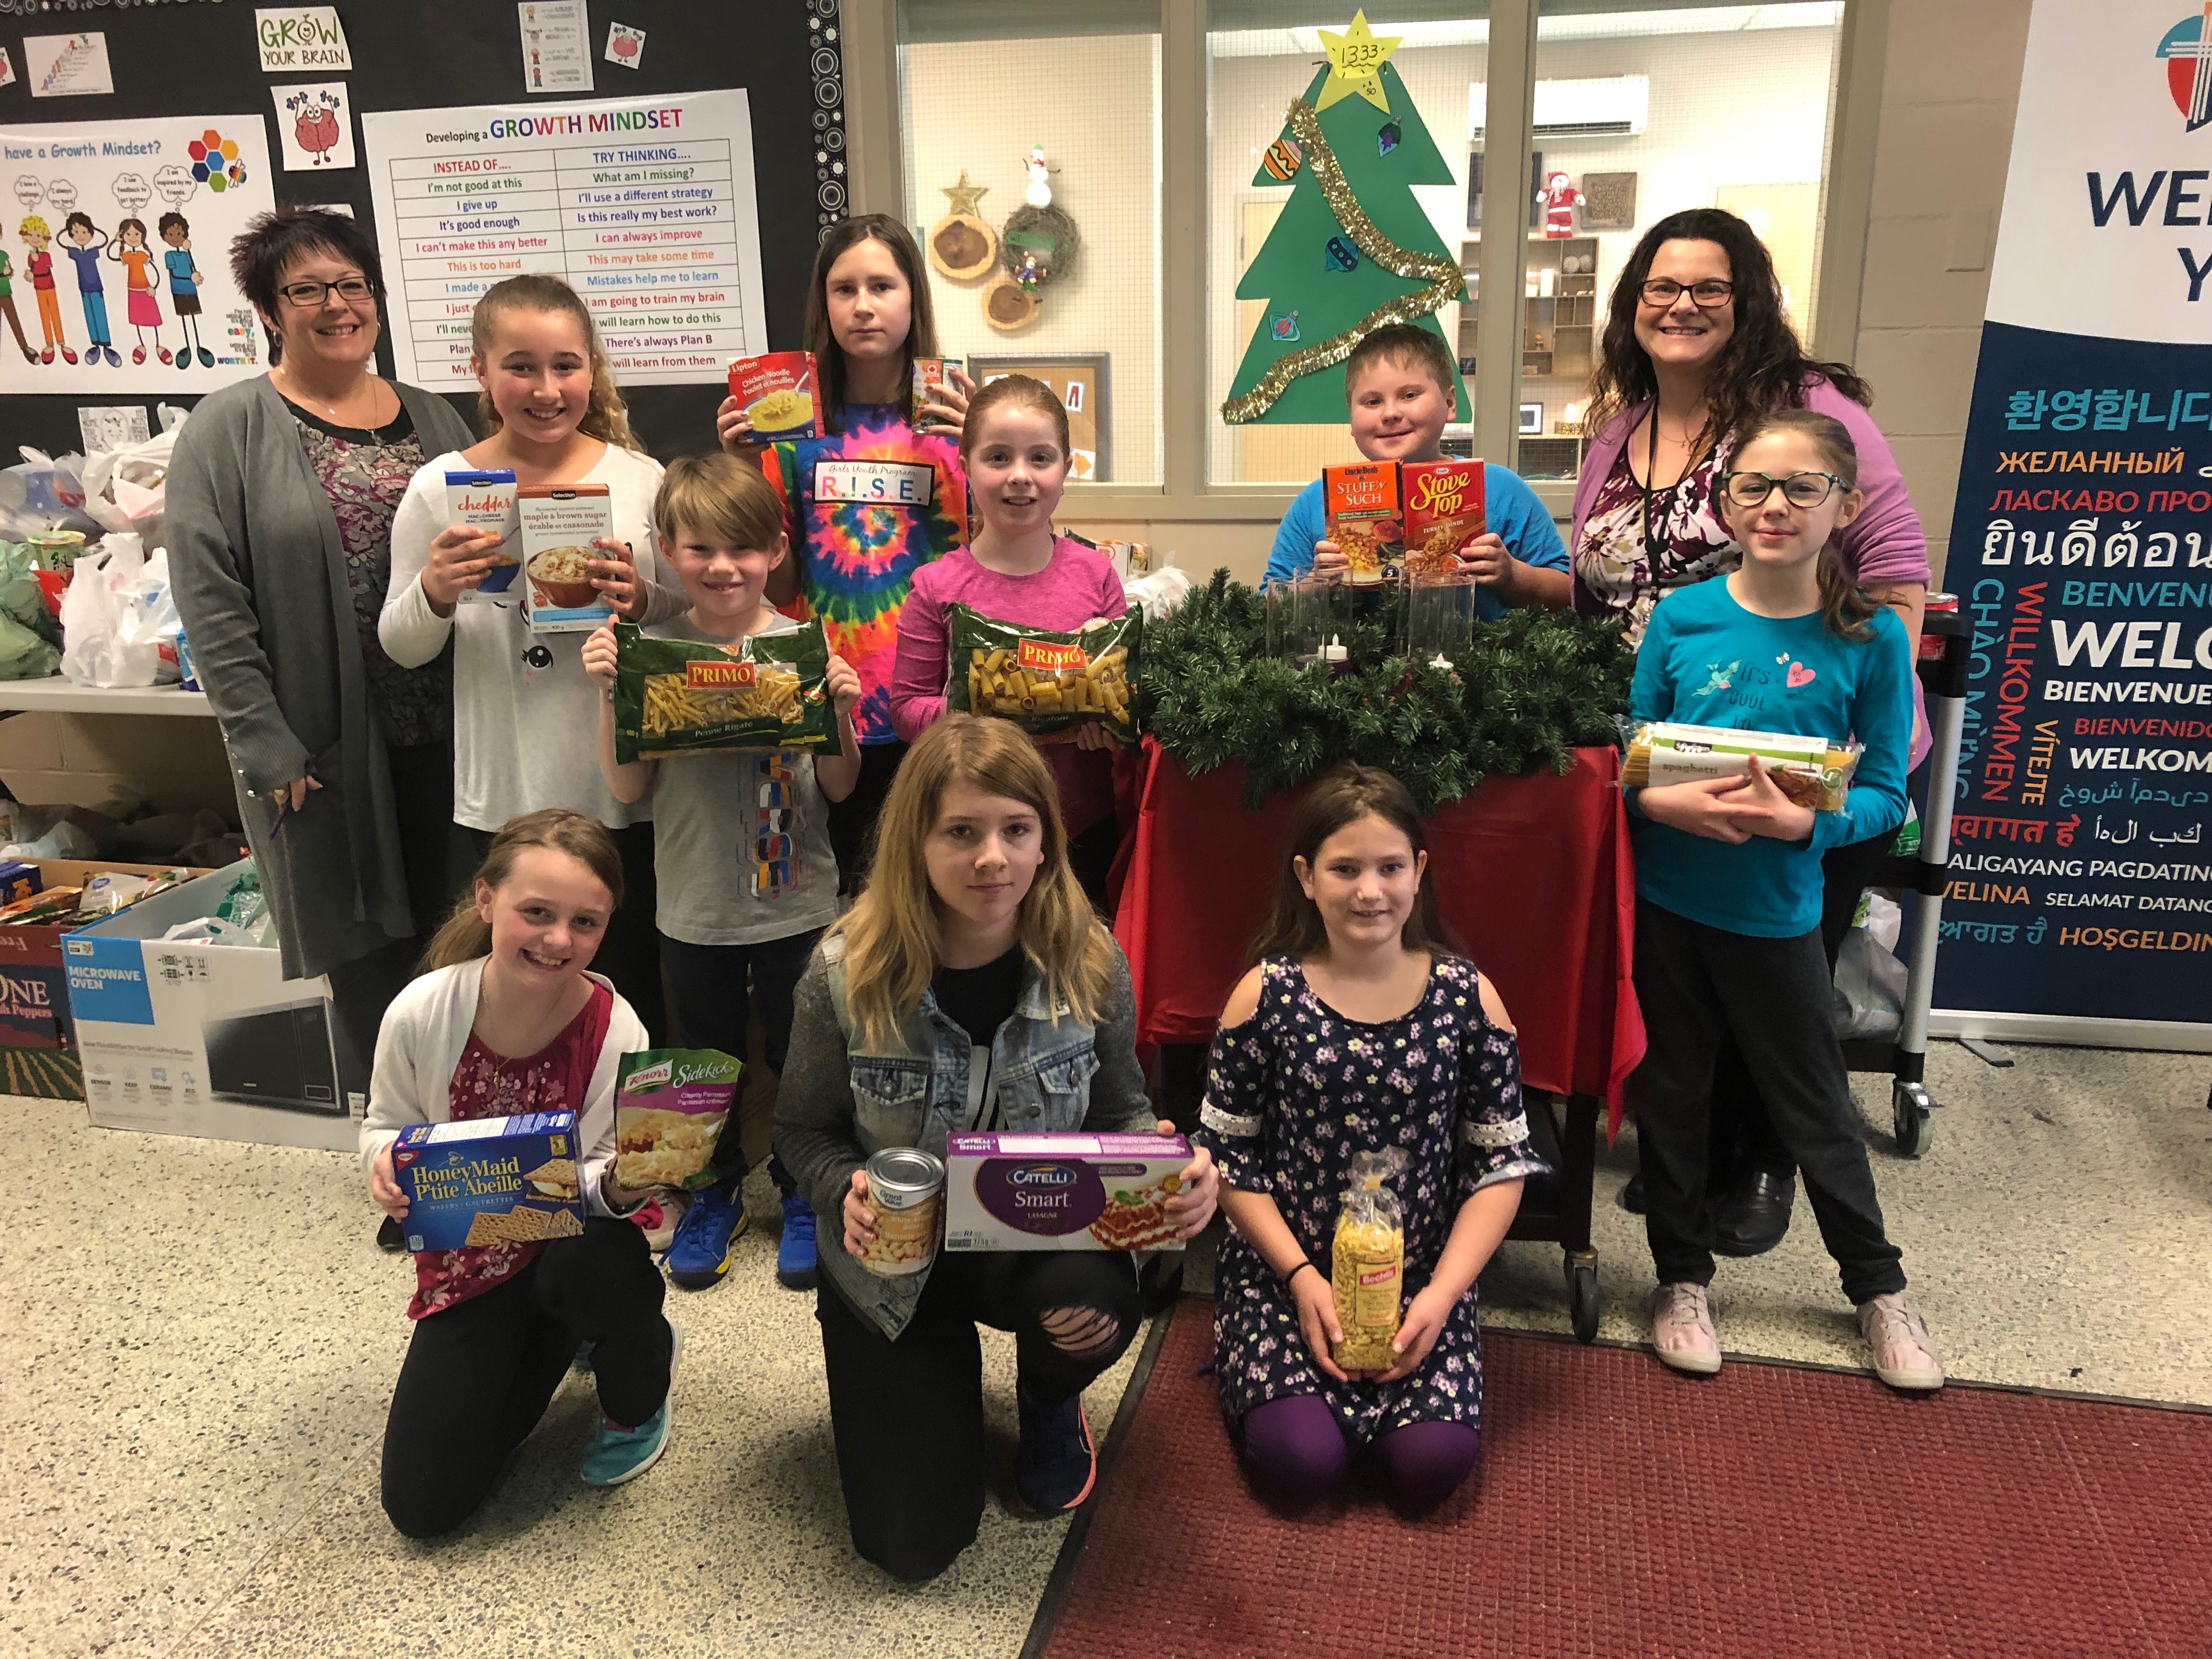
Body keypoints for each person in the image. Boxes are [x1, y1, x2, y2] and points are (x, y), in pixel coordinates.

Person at [775, 714, 1220, 1582]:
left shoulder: (1087, 959)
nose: (994, 859)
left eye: (1018, 830)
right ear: (916, 841)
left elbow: (1125, 1111)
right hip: (893, 1262)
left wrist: (1177, 1172)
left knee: (1092, 1304)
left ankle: (1050, 1397)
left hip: (1030, 1236)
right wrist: (844, 1191)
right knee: (911, 1546)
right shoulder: (844, 970)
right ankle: (930, 1382)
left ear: (1048, 841)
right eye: (962, 832)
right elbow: (798, 1131)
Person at [1572, 207, 1933, 1252]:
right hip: (1667, 750)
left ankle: (1765, 1158)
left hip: (1812, 758)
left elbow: (1898, 577)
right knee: (1683, 973)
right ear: (1630, 305)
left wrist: (1849, 732)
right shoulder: (1620, 425)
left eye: (1708, 287)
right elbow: (1610, 590)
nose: (1680, 306)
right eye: (1659, 287)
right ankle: (1691, 1156)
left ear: (1750, 301)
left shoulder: (1807, 413)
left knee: (1779, 990)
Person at [1627, 409, 1942, 1393]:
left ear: (1844, 505)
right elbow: (1631, 755)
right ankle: (1681, 1276)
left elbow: (1888, 797)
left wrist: (1802, 825)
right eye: (1755, 486)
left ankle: (1878, 1287)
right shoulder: (1679, 619)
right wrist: (1652, 794)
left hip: (1775, 913)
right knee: (1672, 1095)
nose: (1776, 505)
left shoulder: (1868, 640)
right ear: (1724, 501)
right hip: (1668, 902)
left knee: (1813, 1104)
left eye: (1804, 487)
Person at [168, 206, 476, 1156]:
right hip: (324, 747)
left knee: (462, 940)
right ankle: (405, 1156)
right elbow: (210, 599)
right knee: (368, 955)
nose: (336, 305)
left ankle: (486, 1144)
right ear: (268, 309)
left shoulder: (435, 416)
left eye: (352, 285)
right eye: (306, 288)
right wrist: (261, 737)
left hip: (458, 732)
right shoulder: (227, 430)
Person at [1192, 763, 1545, 1514]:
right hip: (1288, 1274)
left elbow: (1500, 1162)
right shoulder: (1265, 994)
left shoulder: (1467, 996)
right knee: (1299, 1467)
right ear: (1306, 877)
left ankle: (1399, 1400)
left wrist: (1444, 1296)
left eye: (1389, 867)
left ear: (1419, 871)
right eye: (1344, 869)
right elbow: (1228, 1156)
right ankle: (1257, 1369)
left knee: (1430, 1471)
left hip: (1419, 1280)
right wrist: (1300, 1278)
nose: (1369, 891)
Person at [580, 453, 862, 1294]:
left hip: (797, 898)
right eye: (700, 549)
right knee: (696, 1059)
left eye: (743, 549)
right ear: (667, 549)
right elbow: (627, 788)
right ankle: (709, 1194)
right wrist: (610, 695)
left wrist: (841, 713)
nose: (723, 567)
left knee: (803, 1053)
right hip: (694, 900)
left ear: (776, 550)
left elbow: (842, 786)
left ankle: (804, 1190)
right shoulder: (652, 650)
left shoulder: (801, 646)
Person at [363, 810, 681, 1537]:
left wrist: (630, 1186)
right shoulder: (422, 1012)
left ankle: (639, 1382)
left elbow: (601, 1182)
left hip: (573, 1248)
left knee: (601, 1265)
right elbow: (383, 1126)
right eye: (536, 913)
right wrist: (382, 1163)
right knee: (424, 1506)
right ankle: (564, 1341)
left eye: (585, 923)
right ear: (485, 901)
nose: (559, 940)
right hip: (472, 1260)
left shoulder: (617, 1027)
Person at [383, 273, 681, 1047]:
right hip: (500, 798)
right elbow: (401, 642)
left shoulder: (638, 481)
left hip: (621, 799)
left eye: (565, 366)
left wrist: (643, 600)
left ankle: (628, 1159)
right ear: (480, 370)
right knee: (513, 1007)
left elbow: (694, 620)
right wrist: (436, 591)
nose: (546, 389)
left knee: (628, 1002)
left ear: (593, 368)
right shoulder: (441, 488)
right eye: (520, 366)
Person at [721, 215, 973, 893]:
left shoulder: (955, 422)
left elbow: (993, 562)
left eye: (883, 286)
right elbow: (771, 589)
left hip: (933, 708)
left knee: (936, 901)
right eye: (843, 289)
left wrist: (987, 455)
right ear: (822, 304)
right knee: (830, 906)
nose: (863, 306)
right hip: (825, 707)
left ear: (913, 299)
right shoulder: (790, 430)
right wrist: (745, 474)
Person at [889, 375, 1127, 907]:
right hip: (972, 837)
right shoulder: (937, 585)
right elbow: (906, 709)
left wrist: (1105, 725)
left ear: (1066, 468)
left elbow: (1125, 702)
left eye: (1040, 458)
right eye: (998, 458)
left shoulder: (1096, 577)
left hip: (1078, 828)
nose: (1020, 476)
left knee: (1077, 978)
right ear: (966, 465)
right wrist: (999, 712)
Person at [1263, 321, 1571, 613]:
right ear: (1351, 419)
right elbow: (1267, 602)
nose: (1391, 413)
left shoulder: (1502, 489)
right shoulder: (1316, 502)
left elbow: (1567, 591)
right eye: (1371, 402)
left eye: (1410, 395)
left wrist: (1513, 575)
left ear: (1450, 404)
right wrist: (1314, 584)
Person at [61, 212, 119, 369]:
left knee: (100, 315)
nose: (81, 236)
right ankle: (95, 345)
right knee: (90, 316)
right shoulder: (74, 252)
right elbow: (61, 242)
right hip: (84, 289)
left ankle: (106, 346)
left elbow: (104, 241)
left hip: (97, 287)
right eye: (76, 232)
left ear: (91, 233)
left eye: (85, 232)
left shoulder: (93, 251)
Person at [108, 217, 166, 366]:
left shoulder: (143, 255)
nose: (133, 238)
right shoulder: (127, 256)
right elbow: (111, 256)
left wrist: (154, 287)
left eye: (136, 234)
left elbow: (155, 272)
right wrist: (115, 241)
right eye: (128, 235)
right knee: (138, 321)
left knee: (153, 320)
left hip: (146, 290)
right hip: (133, 291)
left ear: (143, 236)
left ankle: (158, 345)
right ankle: (142, 346)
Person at [159, 212, 211, 370]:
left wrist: (194, 273)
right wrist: (191, 278)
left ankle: (199, 347)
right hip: (179, 291)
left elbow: (192, 268)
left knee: (193, 318)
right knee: (184, 319)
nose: (176, 237)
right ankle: (188, 347)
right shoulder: (169, 255)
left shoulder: (186, 254)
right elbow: (174, 273)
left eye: (180, 234)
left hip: (191, 291)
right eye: (171, 234)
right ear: (164, 236)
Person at [19, 217, 72, 365]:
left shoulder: (46, 255)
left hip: (50, 286)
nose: (35, 239)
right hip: (39, 288)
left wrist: (36, 261)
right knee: (44, 315)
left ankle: (61, 342)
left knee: (54, 313)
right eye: (31, 235)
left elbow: (45, 267)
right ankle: (49, 344)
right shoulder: (31, 256)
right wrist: (29, 275)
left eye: (38, 235)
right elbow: (31, 271)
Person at [0, 244, 35, 364]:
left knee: (14, 321)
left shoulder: (3, 254)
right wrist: (2, 274)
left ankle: (24, 347)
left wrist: (9, 272)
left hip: (6, 292)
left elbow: (10, 273)